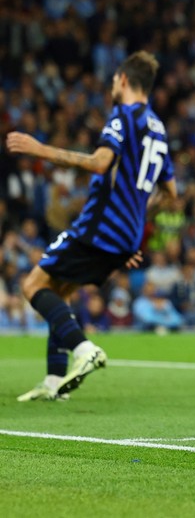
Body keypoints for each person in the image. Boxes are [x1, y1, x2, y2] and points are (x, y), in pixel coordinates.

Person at [9, 50, 176, 401]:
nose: (113, 85)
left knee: (33, 285)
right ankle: (54, 381)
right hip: (126, 236)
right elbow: (170, 193)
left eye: (114, 80)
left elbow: (101, 163)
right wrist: (133, 225)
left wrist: (41, 150)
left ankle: (84, 349)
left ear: (124, 80)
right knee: (60, 291)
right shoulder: (158, 129)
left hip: (99, 228)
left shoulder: (124, 115)